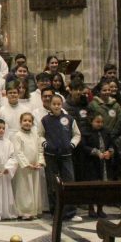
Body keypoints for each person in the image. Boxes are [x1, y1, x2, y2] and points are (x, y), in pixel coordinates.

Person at [39, 93, 82, 222]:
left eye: (59, 104)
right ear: (49, 105)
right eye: (54, 104)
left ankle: (70, 212)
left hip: (66, 156)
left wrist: (72, 144)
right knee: (53, 184)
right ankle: (55, 211)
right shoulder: (45, 120)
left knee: (69, 183)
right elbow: (40, 135)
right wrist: (45, 143)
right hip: (51, 156)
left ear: (62, 104)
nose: (56, 106)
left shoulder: (69, 119)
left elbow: (77, 134)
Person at [11, 112, 44, 220]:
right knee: (24, 189)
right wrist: (27, 164)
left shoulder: (35, 135)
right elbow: (18, 152)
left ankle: (33, 210)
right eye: (25, 120)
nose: (27, 123)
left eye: (29, 121)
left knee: (34, 188)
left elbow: (40, 149)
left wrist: (39, 162)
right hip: (24, 168)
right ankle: (23, 211)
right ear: (20, 122)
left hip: (35, 166)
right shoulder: (17, 136)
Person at [81, 114, 114, 217]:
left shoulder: (106, 132)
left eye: (101, 122)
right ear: (92, 122)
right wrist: (96, 152)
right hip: (91, 164)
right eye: (97, 122)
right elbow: (84, 146)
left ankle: (100, 208)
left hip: (104, 164)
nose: (100, 124)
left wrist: (110, 152)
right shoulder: (86, 132)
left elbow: (112, 144)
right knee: (92, 187)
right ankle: (91, 208)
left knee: (102, 187)